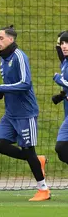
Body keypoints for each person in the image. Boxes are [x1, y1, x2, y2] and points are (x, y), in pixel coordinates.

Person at [0, 25, 49, 201]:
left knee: (28, 149)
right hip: (10, 114)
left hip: (26, 113)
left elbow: (25, 83)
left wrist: (2, 88)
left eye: (1, 38)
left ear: (11, 39)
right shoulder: (4, 58)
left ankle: (43, 190)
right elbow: (11, 84)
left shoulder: (19, 56)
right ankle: (36, 160)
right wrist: (3, 91)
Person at [52, 32, 68, 168]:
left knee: (61, 147)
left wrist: (60, 80)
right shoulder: (65, 63)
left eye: (66, 43)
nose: (64, 46)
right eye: (62, 43)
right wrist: (62, 95)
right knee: (62, 150)